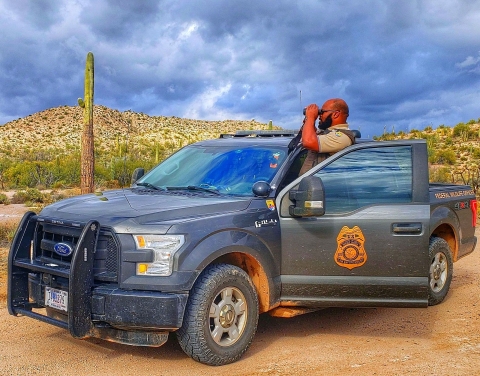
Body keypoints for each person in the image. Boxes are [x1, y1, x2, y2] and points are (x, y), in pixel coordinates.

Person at [299, 98, 355, 175]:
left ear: (336, 114)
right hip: (309, 184)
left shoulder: (342, 137)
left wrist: (311, 117)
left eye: (322, 112)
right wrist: (308, 121)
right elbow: (311, 136)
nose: (319, 115)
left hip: (319, 186)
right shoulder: (329, 133)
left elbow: (308, 142)